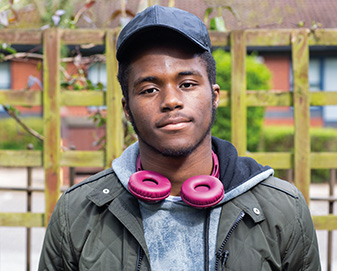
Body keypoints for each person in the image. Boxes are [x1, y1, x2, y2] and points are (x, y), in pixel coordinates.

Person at [38, 5, 321, 271]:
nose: (171, 101)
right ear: (127, 108)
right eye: (149, 89)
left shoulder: (284, 210)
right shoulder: (76, 212)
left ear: (215, 96)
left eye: (187, 84)